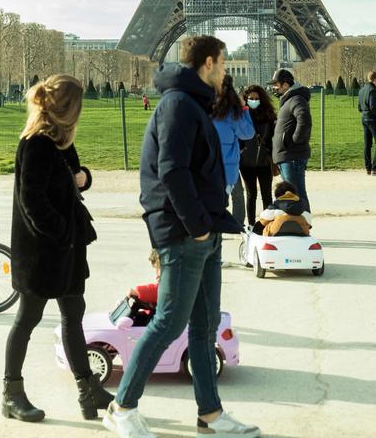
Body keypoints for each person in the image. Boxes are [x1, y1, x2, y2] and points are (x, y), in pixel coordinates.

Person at [103, 35, 259, 438]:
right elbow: (171, 171)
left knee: (204, 327)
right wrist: (197, 225)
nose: (226, 72)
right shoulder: (177, 105)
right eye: (223, 64)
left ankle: (210, 413)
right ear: (207, 63)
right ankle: (121, 407)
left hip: (202, 229)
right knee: (169, 322)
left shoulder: (191, 104)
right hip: (185, 231)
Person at [3, 74, 113, 424]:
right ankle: (11, 393)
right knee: (27, 319)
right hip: (42, 250)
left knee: (73, 315)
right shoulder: (36, 142)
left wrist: (84, 179)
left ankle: (87, 389)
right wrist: (62, 231)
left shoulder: (60, 140)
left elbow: (75, 176)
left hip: (65, 249)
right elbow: (31, 200)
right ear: (67, 108)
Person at [212, 74, 256, 229]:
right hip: (228, 167)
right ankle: (236, 225)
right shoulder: (231, 114)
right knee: (237, 194)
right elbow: (248, 133)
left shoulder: (201, 111)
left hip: (208, 165)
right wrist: (244, 109)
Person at [270, 68, 312, 211]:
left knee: (296, 193)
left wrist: (294, 140)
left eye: (276, 85)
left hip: (292, 154)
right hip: (288, 154)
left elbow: (304, 120)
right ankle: (302, 224)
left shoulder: (296, 99)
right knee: (295, 193)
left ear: (286, 85)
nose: (274, 88)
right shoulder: (290, 99)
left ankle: (304, 224)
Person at [239, 85, 276, 225]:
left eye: (256, 98)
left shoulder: (268, 115)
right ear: (246, 99)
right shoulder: (242, 116)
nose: (254, 101)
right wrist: (242, 151)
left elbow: (272, 137)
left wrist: (271, 155)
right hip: (246, 162)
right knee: (251, 194)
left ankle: (268, 224)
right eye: (251, 98)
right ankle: (251, 224)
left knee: (267, 195)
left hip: (264, 161)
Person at [358, 71, 376, 176]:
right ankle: (375, 167)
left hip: (364, 118)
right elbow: (373, 106)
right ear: (375, 79)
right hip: (373, 119)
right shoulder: (373, 90)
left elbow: (359, 107)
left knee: (367, 144)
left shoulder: (361, 90)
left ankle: (368, 168)